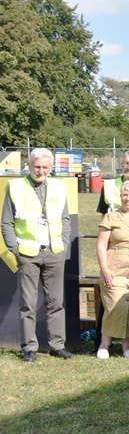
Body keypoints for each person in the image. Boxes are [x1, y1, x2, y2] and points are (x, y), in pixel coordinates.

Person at [1, 148, 74, 361]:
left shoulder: (59, 187)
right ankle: (29, 348)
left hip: (54, 252)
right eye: (37, 166)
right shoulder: (15, 187)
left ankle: (57, 345)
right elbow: (6, 222)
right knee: (28, 304)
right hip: (28, 254)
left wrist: (63, 243)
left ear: (50, 168)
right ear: (30, 165)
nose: (40, 170)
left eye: (44, 167)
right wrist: (15, 250)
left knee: (55, 302)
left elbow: (65, 219)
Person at [95, 180, 129, 359]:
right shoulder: (111, 217)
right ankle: (105, 345)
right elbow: (101, 245)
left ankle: (127, 347)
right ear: (120, 197)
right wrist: (105, 269)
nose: (128, 199)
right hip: (115, 271)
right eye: (125, 195)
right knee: (114, 307)